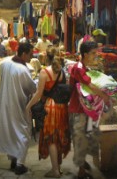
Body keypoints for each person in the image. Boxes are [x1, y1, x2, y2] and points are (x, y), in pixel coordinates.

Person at [26, 48, 71, 178]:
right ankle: (58, 167)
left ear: (46, 58)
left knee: (51, 139)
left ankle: (55, 171)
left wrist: (28, 107)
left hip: (51, 107)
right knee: (59, 136)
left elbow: (38, 95)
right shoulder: (62, 72)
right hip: (62, 107)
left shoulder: (44, 72)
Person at [68, 41, 110, 179]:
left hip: (85, 108)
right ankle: (81, 170)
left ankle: (82, 162)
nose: (95, 56)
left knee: (88, 136)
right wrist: (104, 95)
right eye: (93, 53)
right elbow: (90, 86)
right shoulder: (79, 68)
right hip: (78, 109)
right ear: (85, 54)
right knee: (80, 138)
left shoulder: (84, 67)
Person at [0, 43, 36, 175]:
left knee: (10, 131)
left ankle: (13, 159)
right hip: (19, 104)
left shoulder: (5, 64)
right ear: (24, 54)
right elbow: (32, 88)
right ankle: (20, 164)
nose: (31, 57)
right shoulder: (23, 70)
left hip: (6, 103)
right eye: (30, 54)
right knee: (23, 132)